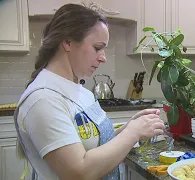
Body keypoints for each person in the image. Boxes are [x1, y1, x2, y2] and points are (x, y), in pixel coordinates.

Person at [14, 3, 165, 180]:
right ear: (68, 42)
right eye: (97, 47)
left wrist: (129, 127)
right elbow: (79, 171)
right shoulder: (43, 99)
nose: (103, 57)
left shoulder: (79, 90)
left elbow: (93, 142)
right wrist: (133, 133)